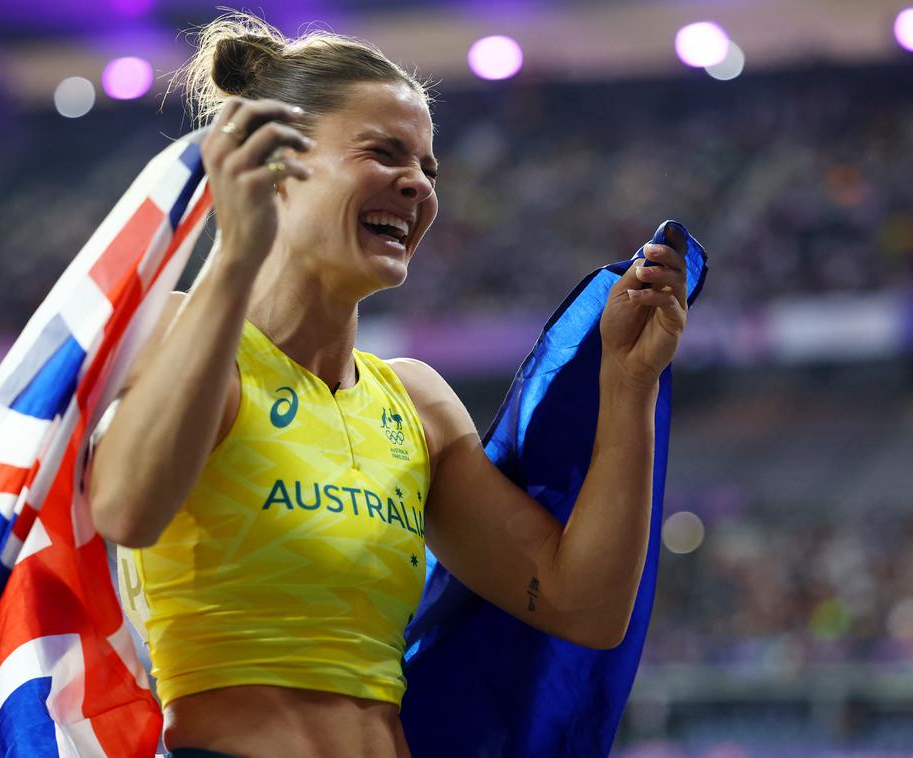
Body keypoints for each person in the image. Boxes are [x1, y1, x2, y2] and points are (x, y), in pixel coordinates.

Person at [87, 11, 690, 758]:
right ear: (276, 165)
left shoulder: (415, 403)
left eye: (429, 170)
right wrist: (235, 259)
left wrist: (628, 386)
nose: (416, 184)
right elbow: (124, 511)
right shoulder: (178, 333)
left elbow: (584, 607)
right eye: (384, 153)